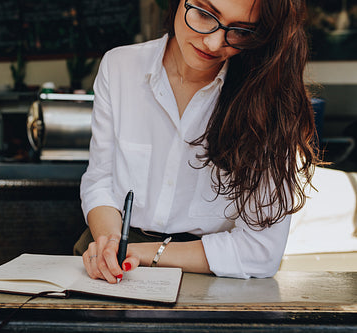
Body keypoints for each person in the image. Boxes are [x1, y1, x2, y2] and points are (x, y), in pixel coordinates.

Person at [74, 0, 319, 282]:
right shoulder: (120, 67)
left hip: (209, 272)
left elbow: (261, 251)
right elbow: (101, 180)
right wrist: (109, 245)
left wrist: (143, 254)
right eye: (204, 14)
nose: (214, 44)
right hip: (108, 262)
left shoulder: (267, 98)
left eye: (240, 30)